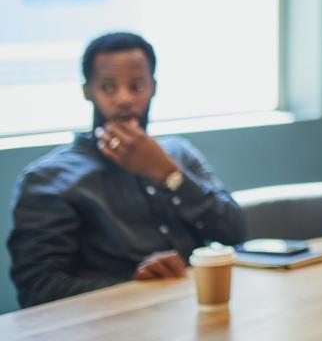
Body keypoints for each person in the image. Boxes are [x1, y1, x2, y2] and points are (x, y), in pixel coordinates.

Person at [7, 32, 246, 308]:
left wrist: (170, 175)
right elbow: (37, 288)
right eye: (108, 87)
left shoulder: (178, 154)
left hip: (195, 311)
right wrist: (133, 285)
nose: (124, 99)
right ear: (88, 91)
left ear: (153, 87)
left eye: (136, 85)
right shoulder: (49, 179)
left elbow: (234, 232)